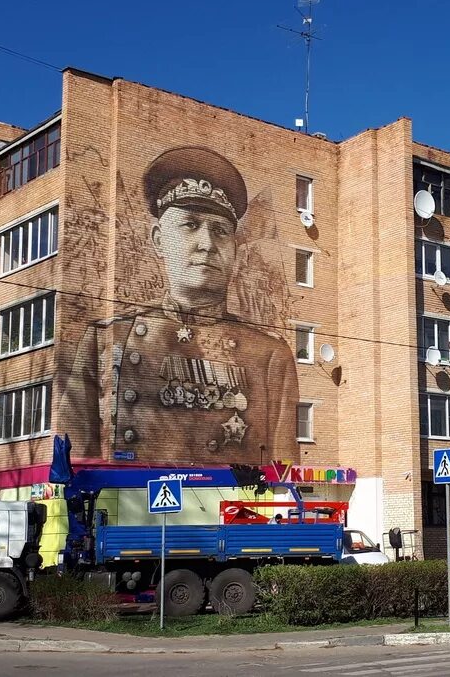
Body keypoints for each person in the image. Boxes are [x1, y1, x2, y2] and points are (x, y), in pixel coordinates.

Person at [65, 146, 300, 465]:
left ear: (234, 249)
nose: (207, 244)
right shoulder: (106, 338)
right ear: (159, 239)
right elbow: (76, 460)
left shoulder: (270, 355)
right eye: (190, 224)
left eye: (220, 231)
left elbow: (283, 472)